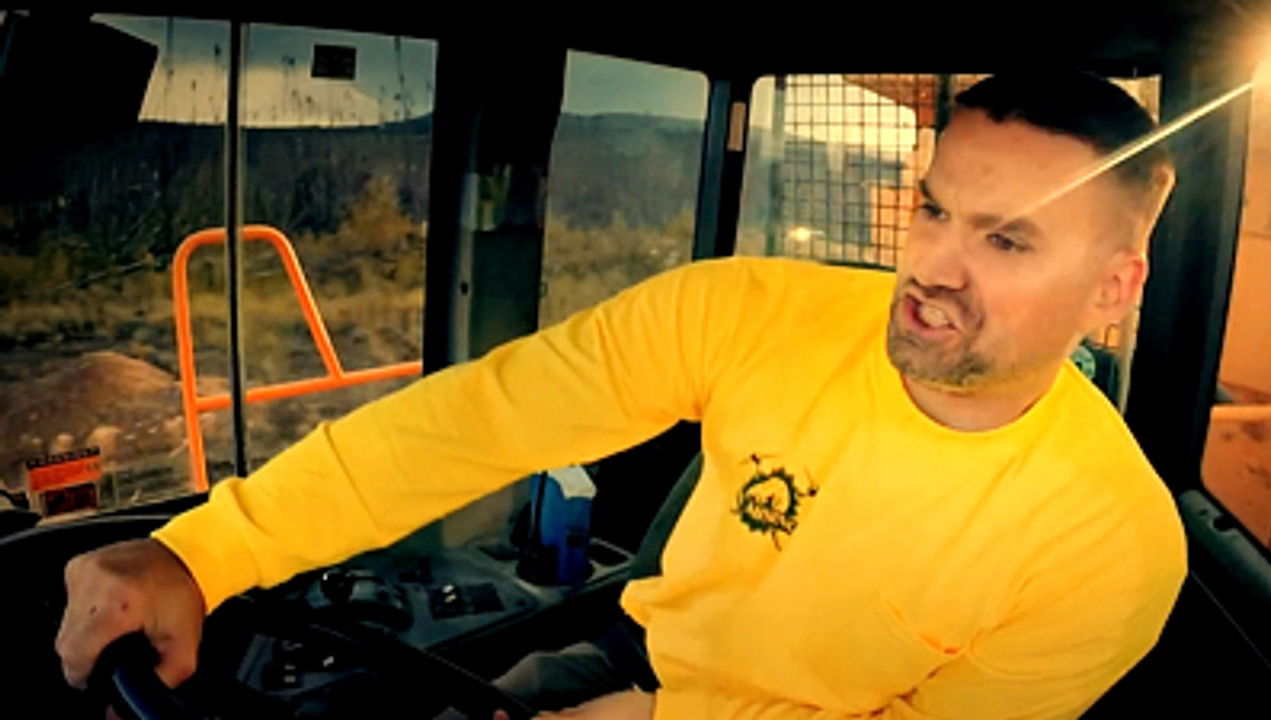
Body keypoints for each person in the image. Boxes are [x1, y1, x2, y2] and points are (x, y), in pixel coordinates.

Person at [56, 70, 1185, 719]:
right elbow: (478, 421)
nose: (933, 268)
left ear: (1112, 289)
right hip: (632, 654)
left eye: (1005, 240)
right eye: (933, 210)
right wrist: (205, 553)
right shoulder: (750, 312)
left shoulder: (1109, 550)